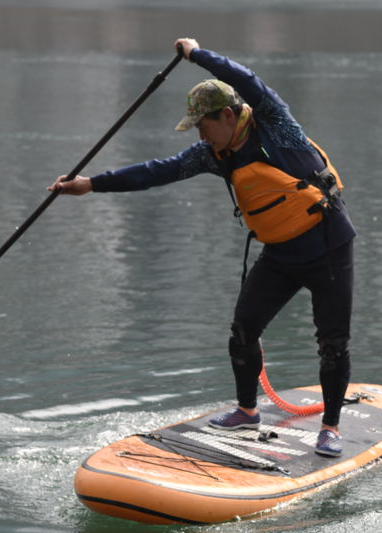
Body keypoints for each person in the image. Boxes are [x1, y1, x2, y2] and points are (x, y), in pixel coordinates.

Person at [49, 38, 356, 457]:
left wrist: (195, 54)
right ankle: (248, 410)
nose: (200, 134)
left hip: (327, 246)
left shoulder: (275, 124)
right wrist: (92, 183)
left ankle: (331, 427)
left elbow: (244, 79)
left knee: (332, 343)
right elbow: (158, 172)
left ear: (227, 115)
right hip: (280, 254)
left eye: (203, 125)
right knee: (243, 329)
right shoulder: (214, 154)